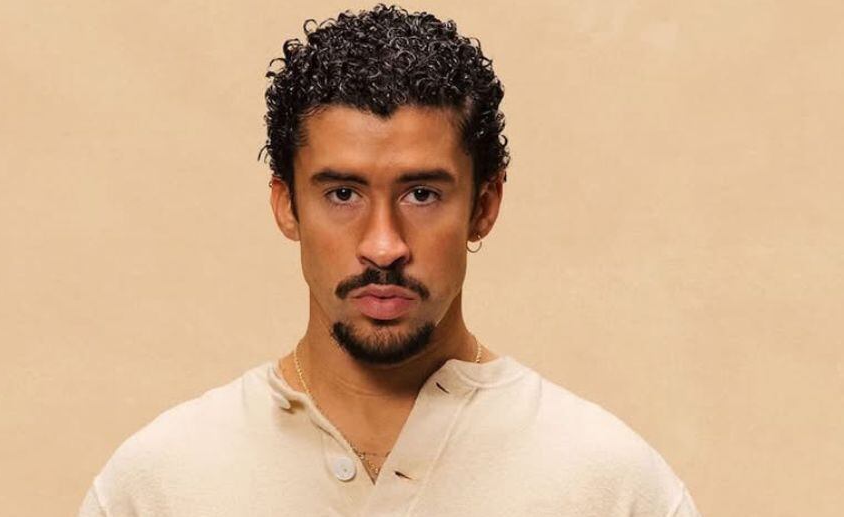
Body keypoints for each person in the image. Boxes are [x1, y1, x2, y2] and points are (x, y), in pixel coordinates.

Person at [79, 4, 701, 516]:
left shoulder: (611, 486)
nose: (383, 246)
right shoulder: (158, 485)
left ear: (484, 206)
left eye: (421, 194)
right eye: (342, 194)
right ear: (287, 206)